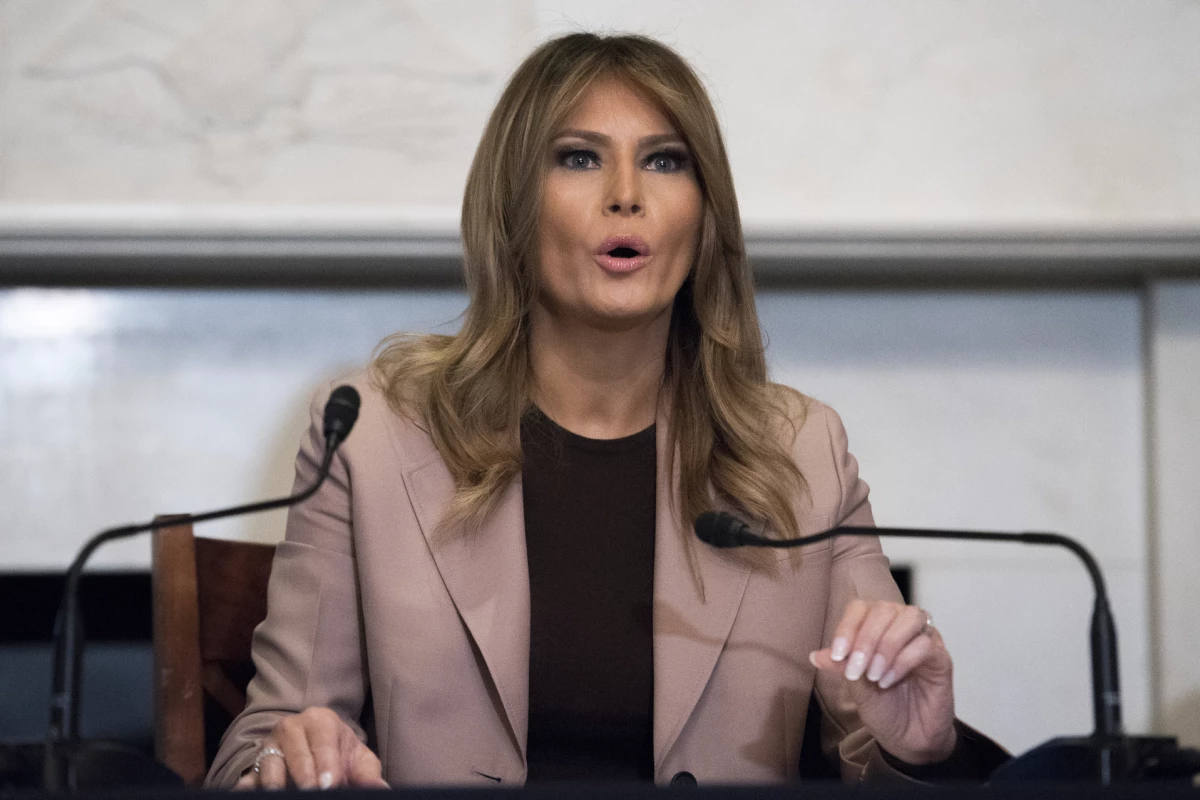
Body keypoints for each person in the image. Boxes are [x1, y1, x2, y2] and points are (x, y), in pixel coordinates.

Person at [206, 32, 1006, 789]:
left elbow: (872, 749)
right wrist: (293, 756)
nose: (626, 196)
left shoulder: (800, 452)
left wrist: (921, 749)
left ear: (704, 212)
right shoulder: (374, 432)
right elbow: (261, 740)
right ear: (515, 203)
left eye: (664, 162)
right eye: (580, 158)